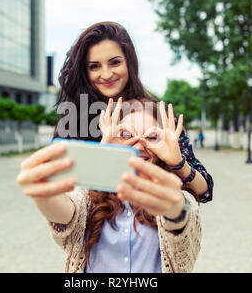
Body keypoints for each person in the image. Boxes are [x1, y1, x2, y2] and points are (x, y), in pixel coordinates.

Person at [16, 100, 201, 272]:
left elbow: (182, 220)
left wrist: (175, 209)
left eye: (152, 136)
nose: (139, 144)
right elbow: (65, 212)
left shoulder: (181, 196)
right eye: (126, 134)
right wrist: (42, 194)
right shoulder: (89, 194)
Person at [54, 21, 214, 203]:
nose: (106, 74)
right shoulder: (75, 121)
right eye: (94, 66)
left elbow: (205, 193)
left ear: (129, 63)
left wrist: (178, 163)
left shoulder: (156, 115)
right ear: (85, 71)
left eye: (115, 63)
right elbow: (61, 193)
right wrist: (103, 152)